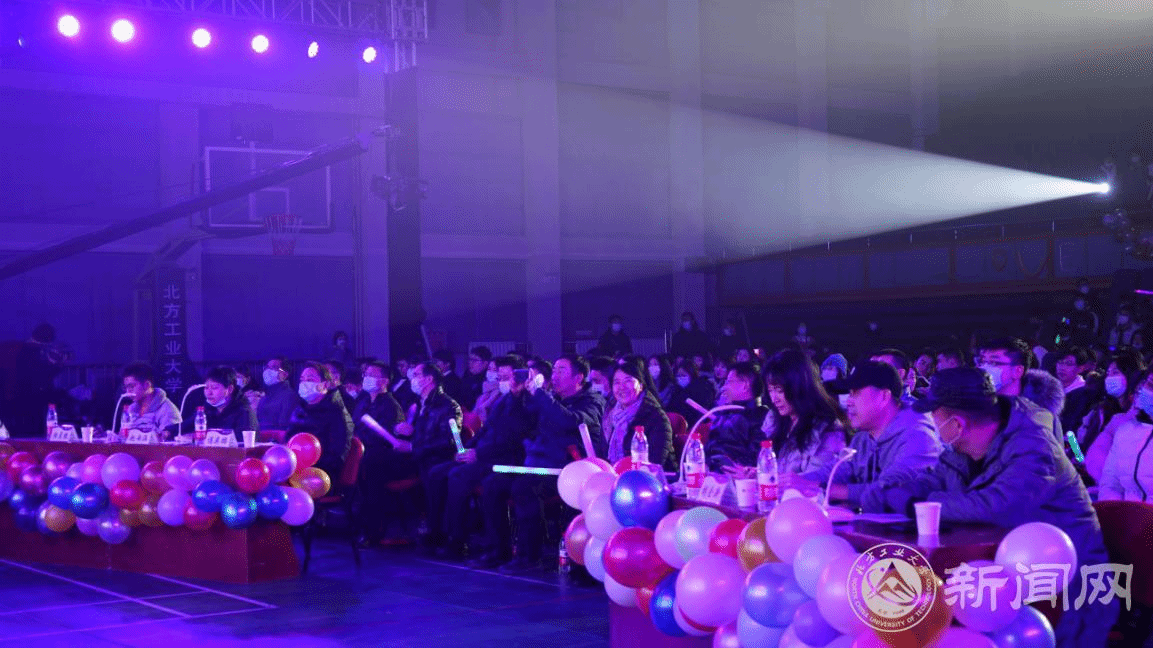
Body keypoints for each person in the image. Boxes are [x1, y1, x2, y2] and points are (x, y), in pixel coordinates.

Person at [877, 368, 1117, 648]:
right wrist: (884, 495)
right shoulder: (963, 449)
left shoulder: (1033, 445)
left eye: (934, 414)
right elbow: (929, 483)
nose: (931, 421)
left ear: (958, 423)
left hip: (1068, 591)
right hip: (1003, 581)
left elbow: (1000, 506)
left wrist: (919, 505)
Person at [482, 355, 605, 571]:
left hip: (568, 470)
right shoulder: (548, 399)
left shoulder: (592, 401)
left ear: (578, 377)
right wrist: (515, 396)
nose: (554, 376)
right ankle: (498, 551)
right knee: (492, 484)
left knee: (524, 488)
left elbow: (568, 421)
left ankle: (529, 556)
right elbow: (508, 426)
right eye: (554, 371)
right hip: (537, 465)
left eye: (561, 371)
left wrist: (539, 394)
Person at [429, 355, 535, 562]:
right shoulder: (504, 400)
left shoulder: (526, 403)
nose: (503, 381)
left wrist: (479, 454)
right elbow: (486, 431)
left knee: (459, 476)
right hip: (485, 452)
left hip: (505, 458)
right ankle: (438, 532)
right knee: (437, 472)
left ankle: (458, 540)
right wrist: (467, 448)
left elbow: (514, 439)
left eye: (507, 377)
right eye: (500, 377)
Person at [802, 362, 940, 510]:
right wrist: (795, 482)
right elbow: (837, 470)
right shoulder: (862, 437)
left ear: (884, 396)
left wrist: (821, 488)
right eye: (849, 393)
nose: (848, 401)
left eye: (855, 393)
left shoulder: (919, 437)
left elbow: (890, 490)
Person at [761, 350, 849, 482]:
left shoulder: (827, 429)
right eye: (770, 390)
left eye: (779, 390)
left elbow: (820, 480)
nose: (774, 399)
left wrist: (778, 481)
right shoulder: (777, 421)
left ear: (799, 387)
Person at [351, 361, 408, 546]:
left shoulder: (390, 405)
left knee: (369, 470)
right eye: (365, 374)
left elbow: (389, 438)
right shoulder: (363, 401)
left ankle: (373, 531)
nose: (366, 378)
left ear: (384, 381)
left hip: (383, 455)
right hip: (363, 450)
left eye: (372, 375)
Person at [598, 358, 675, 471]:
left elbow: (654, 463)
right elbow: (601, 455)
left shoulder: (656, 417)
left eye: (628, 381)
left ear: (641, 385)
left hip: (653, 478)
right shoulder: (610, 415)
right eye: (617, 382)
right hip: (616, 476)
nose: (622, 387)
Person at [1082, 350, 1146, 481]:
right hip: (1088, 473)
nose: (1109, 378)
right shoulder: (1101, 409)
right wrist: (1078, 459)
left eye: (1115, 372)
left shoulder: (1138, 417)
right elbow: (1080, 442)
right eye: (1108, 373)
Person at [287, 362, 353, 480]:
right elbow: (288, 440)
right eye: (302, 380)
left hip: (321, 475)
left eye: (310, 380)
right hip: (294, 468)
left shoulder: (337, 412)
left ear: (325, 384)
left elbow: (336, 456)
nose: (304, 383)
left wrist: (306, 467)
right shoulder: (299, 409)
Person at [1098, 369, 1153, 501]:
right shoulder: (1125, 429)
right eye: (1150, 384)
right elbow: (1110, 483)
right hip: (1124, 511)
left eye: (1116, 372)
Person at [704, 362, 770, 471]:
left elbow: (755, 457)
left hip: (734, 476)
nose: (724, 387)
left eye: (729, 382)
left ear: (744, 385)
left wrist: (723, 467)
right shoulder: (724, 413)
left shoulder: (759, 417)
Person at [179, 366, 257, 440]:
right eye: (206, 388)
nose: (209, 393)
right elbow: (183, 428)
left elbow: (242, 444)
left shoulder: (244, 413)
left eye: (214, 388)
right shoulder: (206, 410)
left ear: (229, 389)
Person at [119, 363, 183, 438]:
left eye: (131, 386)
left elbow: (171, 441)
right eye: (126, 387)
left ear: (147, 385)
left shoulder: (167, 410)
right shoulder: (131, 409)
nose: (128, 391)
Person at [1053, 347, 1098, 436]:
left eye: (1069, 364)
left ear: (1080, 368)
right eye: (1060, 362)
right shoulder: (1050, 387)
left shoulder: (1084, 393)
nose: (1062, 367)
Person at [666, 360, 715, 427]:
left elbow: (700, 413)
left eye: (683, 375)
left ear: (691, 375)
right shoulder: (676, 391)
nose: (680, 378)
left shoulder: (703, 390)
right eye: (678, 375)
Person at [256, 357, 296, 431]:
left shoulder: (289, 396)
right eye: (267, 367)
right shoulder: (265, 395)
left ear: (285, 374)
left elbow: (283, 426)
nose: (268, 371)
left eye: (274, 368)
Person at [460, 346, 493, 411]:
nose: (471, 363)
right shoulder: (467, 374)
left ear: (485, 363)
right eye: (470, 359)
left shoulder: (488, 379)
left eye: (475, 360)